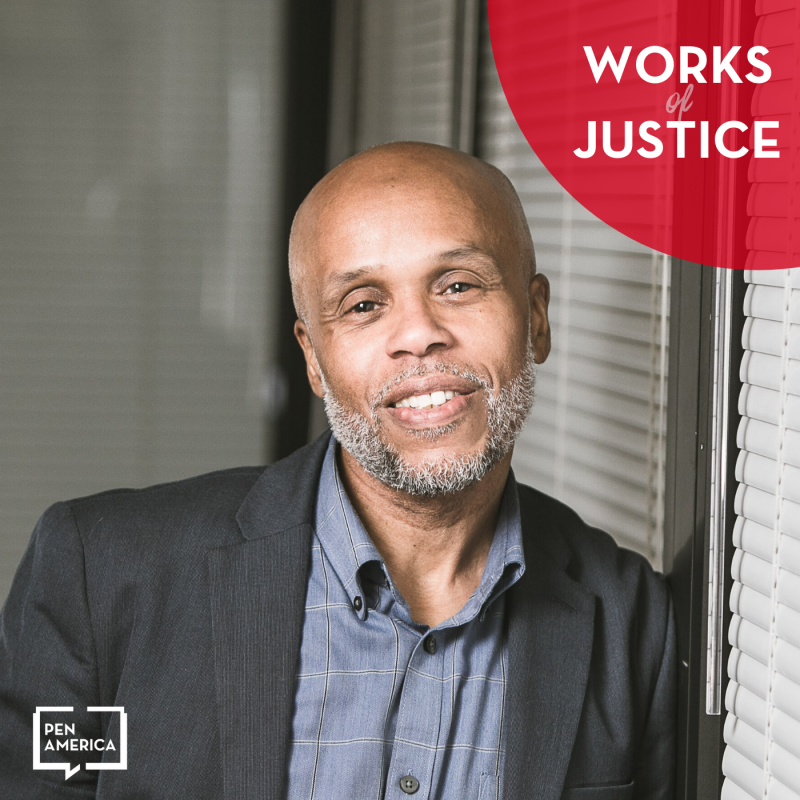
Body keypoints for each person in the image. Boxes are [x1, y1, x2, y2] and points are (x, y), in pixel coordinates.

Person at [0, 142, 675, 800]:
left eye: (458, 285)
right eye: (363, 304)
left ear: (536, 319)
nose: (418, 334)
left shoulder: (632, 621)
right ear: (314, 360)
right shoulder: (103, 579)